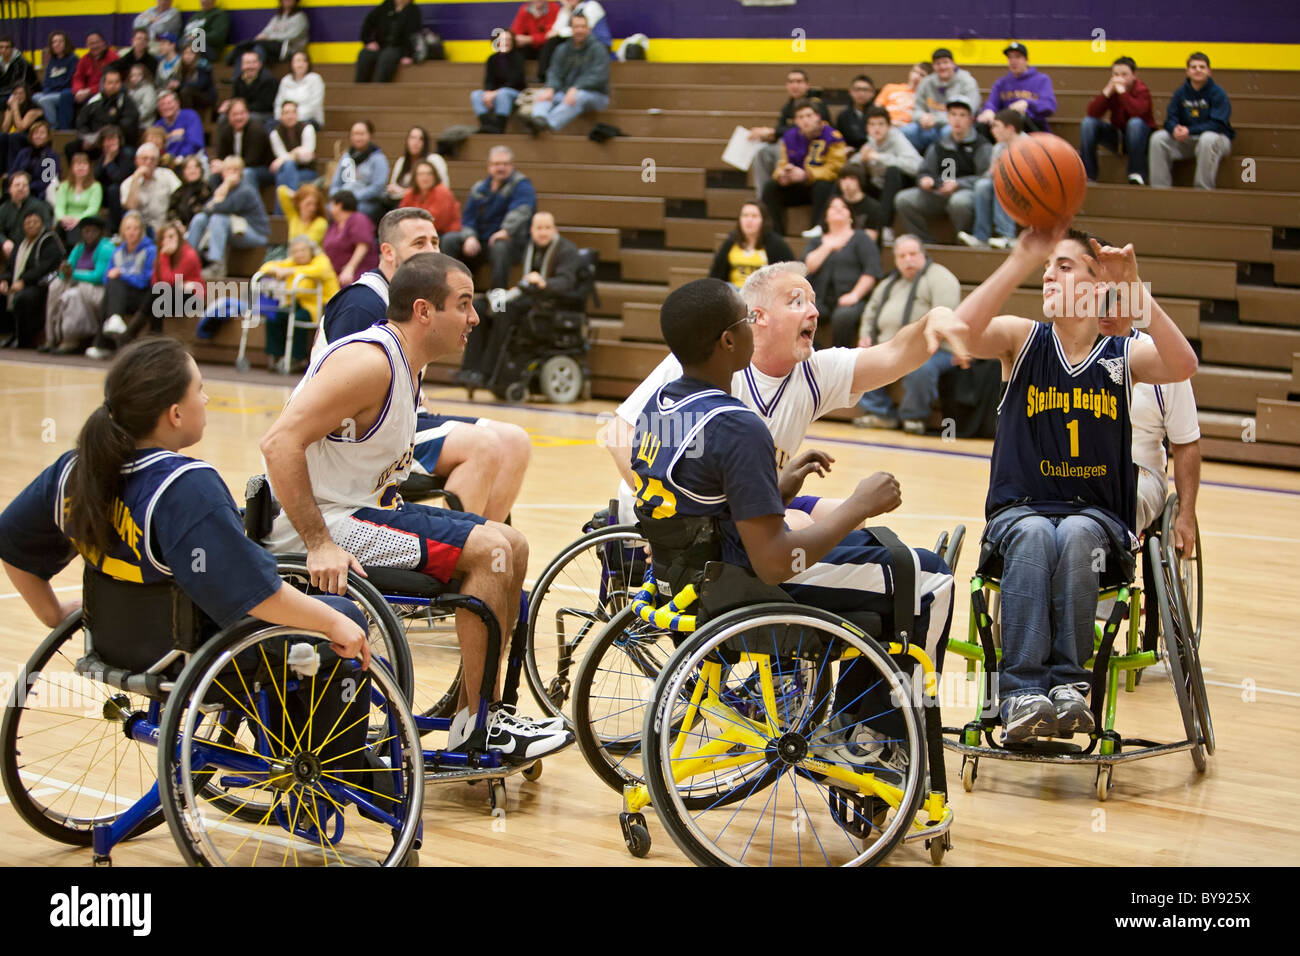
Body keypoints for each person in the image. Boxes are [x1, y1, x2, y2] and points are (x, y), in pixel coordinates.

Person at [259, 252, 567, 758]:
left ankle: (478, 716)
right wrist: (318, 544)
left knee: (511, 542)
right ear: (424, 311)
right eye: (463, 305)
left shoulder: (406, 365)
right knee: (492, 547)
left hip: (360, 511)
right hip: (320, 526)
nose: (475, 317)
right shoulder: (370, 362)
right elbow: (278, 443)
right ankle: (480, 724)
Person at [0, 339, 371, 743]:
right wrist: (334, 620)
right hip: (188, 653)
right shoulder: (185, 486)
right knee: (341, 613)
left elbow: (11, 540)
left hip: (114, 641)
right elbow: (256, 596)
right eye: (199, 390)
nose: (207, 397)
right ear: (175, 414)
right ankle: (335, 772)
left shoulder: (74, 469)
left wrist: (52, 613)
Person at [624, 278, 957, 697]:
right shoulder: (738, 424)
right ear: (729, 341)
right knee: (927, 576)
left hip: (686, 576)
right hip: (738, 584)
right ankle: (870, 735)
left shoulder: (661, 406)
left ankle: (842, 713)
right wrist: (858, 505)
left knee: (878, 552)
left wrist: (777, 485)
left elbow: (711, 508)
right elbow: (777, 563)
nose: (752, 326)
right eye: (746, 320)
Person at [950, 226, 1198, 741]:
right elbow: (963, 331)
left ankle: (1068, 688)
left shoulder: (1120, 355)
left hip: (1098, 519)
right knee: (1040, 532)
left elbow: (1183, 364)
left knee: (1078, 534)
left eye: (1063, 267)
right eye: (1048, 267)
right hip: (1020, 512)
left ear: (1094, 283)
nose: (1048, 274)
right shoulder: (1022, 340)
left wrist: (1136, 289)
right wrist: (1021, 260)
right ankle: (1020, 693)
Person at [607, 259, 972, 532]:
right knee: (796, 526)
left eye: (813, 302)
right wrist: (657, 517)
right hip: (670, 511)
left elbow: (894, 355)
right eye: (797, 301)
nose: (814, 310)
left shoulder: (815, 371)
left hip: (746, 504)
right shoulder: (709, 362)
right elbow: (619, 432)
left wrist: (932, 321)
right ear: (758, 316)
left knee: (850, 522)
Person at [316, 207, 533, 523]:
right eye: (419, 243)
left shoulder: (414, 299)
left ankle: (487, 548)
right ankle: (460, 553)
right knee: (482, 446)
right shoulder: (362, 304)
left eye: (435, 241)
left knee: (515, 441)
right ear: (388, 252)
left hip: (405, 420)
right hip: (360, 440)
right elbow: (342, 395)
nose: (432, 251)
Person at [1097, 296, 1201, 645]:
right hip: (1081, 468)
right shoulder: (1070, 352)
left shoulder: (1163, 361)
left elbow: (1186, 443)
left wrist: (1186, 514)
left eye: (1114, 304)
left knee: (1117, 503)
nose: (1106, 313)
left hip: (1141, 472)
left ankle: (1099, 613)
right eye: (1098, 304)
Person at [853, 234, 964, 432]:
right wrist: (865, 335)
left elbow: (944, 317)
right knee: (859, 360)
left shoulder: (940, 277)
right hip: (890, 346)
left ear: (923, 255)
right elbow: (871, 310)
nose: (907, 260)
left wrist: (915, 348)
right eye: (902, 256)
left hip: (934, 348)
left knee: (920, 367)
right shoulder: (889, 282)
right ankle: (881, 414)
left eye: (912, 254)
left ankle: (914, 418)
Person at [458, 209, 578, 385]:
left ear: (555, 230)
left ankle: (487, 373)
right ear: (531, 230)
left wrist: (544, 282)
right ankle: (469, 370)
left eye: (547, 228)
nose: (543, 232)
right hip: (517, 295)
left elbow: (566, 282)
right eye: (539, 228)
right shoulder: (525, 247)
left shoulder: (566, 250)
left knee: (504, 312)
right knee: (481, 307)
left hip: (544, 303)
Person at [894, 97, 990, 243]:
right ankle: (923, 243)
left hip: (966, 193)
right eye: (953, 114)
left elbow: (986, 177)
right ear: (948, 117)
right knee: (903, 199)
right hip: (939, 192)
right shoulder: (939, 144)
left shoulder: (981, 145)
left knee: (959, 202)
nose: (957, 120)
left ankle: (964, 242)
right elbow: (924, 171)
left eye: (962, 115)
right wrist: (925, 180)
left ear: (971, 119)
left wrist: (959, 184)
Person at [440, 146, 535, 290]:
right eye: (497, 164)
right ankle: (451, 290)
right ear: (489, 166)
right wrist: (469, 237)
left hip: (510, 242)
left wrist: (505, 231)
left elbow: (521, 212)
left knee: (500, 246)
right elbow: (468, 217)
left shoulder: (522, 185)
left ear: (512, 166)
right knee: (449, 240)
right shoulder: (479, 188)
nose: (501, 167)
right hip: (481, 242)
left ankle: (497, 300)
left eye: (505, 164)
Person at [803, 195, 881, 348]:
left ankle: (840, 360)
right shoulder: (817, 241)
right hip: (820, 297)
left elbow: (871, 271)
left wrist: (855, 295)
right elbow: (808, 267)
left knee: (843, 317)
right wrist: (828, 246)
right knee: (801, 314)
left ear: (850, 215)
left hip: (851, 297)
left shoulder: (861, 238)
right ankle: (812, 357)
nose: (838, 209)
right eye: (833, 207)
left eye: (843, 207)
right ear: (825, 216)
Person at [1148, 52, 1233, 191]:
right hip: (1188, 139)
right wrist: (1174, 128)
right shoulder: (1180, 93)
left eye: (1202, 67)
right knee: (1158, 138)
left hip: (1218, 139)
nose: (1198, 70)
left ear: (1209, 71)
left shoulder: (1218, 93)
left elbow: (1218, 124)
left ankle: (1203, 190)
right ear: (1187, 72)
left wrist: (1189, 130)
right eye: (1193, 67)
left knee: (1207, 139)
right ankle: (1159, 190)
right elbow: (1170, 119)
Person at [761, 99, 847, 237]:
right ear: (796, 121)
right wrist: (782, 175)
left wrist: (807, 175)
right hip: (798, 186)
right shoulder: (789, 137)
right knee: (771, 187)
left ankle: (818, 228)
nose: (805, 120)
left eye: (809, 116)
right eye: (801, 117)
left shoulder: (833, 136)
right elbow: (782, 163)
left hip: (821, 188)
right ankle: (774, 233)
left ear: (818, 117)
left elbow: (835, 169)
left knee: (823, 186)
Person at [746, 69, 832, 199]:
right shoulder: (787, 107)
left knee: (783, 143)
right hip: (792, 145)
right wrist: (768, 135)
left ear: (807, 85)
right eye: (791, 82)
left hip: (814, 147)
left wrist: (772, 132)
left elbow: (811, 128)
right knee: (762, 152)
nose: (795, 85)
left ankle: (782, 189)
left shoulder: (816, 103)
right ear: (787, 86)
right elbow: (781, 128)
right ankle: (762, 197)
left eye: (799, 81)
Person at [260, 234, 339, 369]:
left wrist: (290, 271)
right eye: (296, 251)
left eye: (303, 250)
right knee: (275, 317)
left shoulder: (321, 260)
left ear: (311, 250)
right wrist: (277, 269)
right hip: (296, 304)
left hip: (321, 306)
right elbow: (265, 267)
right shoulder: (292, 263)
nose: (299, 254)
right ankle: (276, 355)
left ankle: (297, 358)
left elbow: (318, 270)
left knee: (298, 319)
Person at [86, 210, 157, 359]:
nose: (132, 232)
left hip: (142, 295)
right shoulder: (117, 251)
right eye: (128, 228)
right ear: (123, 231)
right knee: (111, 287)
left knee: (115, 283)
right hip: (121, 296)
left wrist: (123, 274)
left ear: (141, 231)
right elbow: (107, 278)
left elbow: (146, 280)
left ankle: (103, 342)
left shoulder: (150, 250)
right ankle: (112, 325)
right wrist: (119, 276)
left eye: (136, 228)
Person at [186, 155, 271, 278]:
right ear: (223, 173)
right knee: (200, 219)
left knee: (218, 219)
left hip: (255, 233)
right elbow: (205, 209)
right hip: (236, 229)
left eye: (235, 170)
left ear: (241, 173)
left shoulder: (245, 190)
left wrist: (225, 185)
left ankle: (217, 267)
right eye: (228, 170)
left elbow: (219, 208)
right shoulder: (223, 188)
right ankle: (188, 261)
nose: (231, 174)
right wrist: (222, 190)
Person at [526, 12, 609, 134]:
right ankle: (538, 119)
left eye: (583, 26)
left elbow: (599, 76)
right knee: (543, 93)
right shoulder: (562, 49)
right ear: (571, 29)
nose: (579, 30)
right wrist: (551, 88)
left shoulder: (598, 49)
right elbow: (555, 72)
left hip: (596, 96)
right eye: (576, 27)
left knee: (578, 96)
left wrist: (576, 87)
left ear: (589, 29)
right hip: (566, 93)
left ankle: (548, 125)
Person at [42, 214, 113, 353]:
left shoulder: (106, 247)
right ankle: (51, 338)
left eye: (93, 231)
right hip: (79, 284)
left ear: (101, 232)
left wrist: (73, 274)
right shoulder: (79, 247)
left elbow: (98, 276)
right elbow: (66, 272)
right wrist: (64, 271)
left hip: (98, 290)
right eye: (86, 231)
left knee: (72, 294)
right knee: (55, 286)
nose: (89, 234)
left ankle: (70, 340)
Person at [958, 107, 1025, 249]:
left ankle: (1007, 235)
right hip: (1004, 185)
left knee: (1003, 182)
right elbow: (990, 175)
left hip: (1029, 190)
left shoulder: (1030, 146)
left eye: (996, 126)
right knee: (982, 185)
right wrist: (993, 171)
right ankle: (981, 237)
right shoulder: (999, 147)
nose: (992, 130)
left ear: (1010, 128)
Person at [0, 210, 63, 348]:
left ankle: (25, 339)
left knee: (24, 297)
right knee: (3, 293)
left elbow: (46, 267)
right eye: (28, 223)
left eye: (35, 222)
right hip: (19, 284)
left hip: (40, 284)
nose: (31, 225)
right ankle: (10, 334)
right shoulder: (20, 243)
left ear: (42, 224)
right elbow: (10, 268)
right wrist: (5, 280)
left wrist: (24, 281)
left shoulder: (48, 240)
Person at [857, 105, 921, 240]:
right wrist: (862, 162)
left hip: (902, 184)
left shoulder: (898, 139)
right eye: (872, 124)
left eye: (881, 124)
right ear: (867, 128)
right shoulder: (869, 144)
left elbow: (916, 166)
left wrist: (880, 157)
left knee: (892, 171)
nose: (876, 128)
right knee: (854, 174)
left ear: (889, 126)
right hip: (879, 187)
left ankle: (885, 227)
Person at [903, 48, 982, 152]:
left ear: (953, 64)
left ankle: (948, 166)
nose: (942, 67)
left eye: (945, 62)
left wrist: (935, 120)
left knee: (948, 133)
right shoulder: (926, 82)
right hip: (928, 127)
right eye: (937, 63)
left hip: (954, 126)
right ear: (933, 67)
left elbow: (969, 112)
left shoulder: (967, 82)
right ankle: (915, 165)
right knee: (905, 132)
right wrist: (922, 117)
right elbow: (916, 109)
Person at [138, 219, 203, 341]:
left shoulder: (189, 254)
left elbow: (169, 282)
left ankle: (140, 335)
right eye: (164, 238)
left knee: (158, 296)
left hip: (192, 300)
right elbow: (155, 282)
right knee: (157, 298)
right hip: (169, 296)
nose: (168, 241)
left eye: (171, 236)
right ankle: (154, 340)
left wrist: (164, 257)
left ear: (179, 237)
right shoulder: (162, 256)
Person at [708, 199, 794, 289]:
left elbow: (790, 274)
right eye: (745, 216)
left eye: (754, 216)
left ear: (763, 220)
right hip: (735, 293)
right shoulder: (731, 242)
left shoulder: (776, 244)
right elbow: (715, 274)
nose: (749, 220)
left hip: (762, 294)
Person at [977, 42, 1056, 136]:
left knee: (1022, 119)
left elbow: (1049, 105)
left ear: (1026, 60)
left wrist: (1027, 103)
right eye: (1010, 57)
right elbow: (992, 103)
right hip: (1006, 129)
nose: (1013, 61)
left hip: (1032, 128)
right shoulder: (1002, 83)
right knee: (982, 124)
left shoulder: (1041, 79)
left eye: (1017, 57)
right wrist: (988, 111)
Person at [71, 64, 139, 161]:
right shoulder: (94, 100)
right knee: (71, 147)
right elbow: (81, 122)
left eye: (117, 82)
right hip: (94, 141)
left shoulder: (127, 101)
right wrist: (88, 137)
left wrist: (109, 138)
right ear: (103, 84)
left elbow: (128, 124)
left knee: (128, 153)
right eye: (110, 83)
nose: (114, 86)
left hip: (118, 143)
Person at [536, 0, 611, 83]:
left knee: (556, 41)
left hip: (598, 45)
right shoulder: (566, 10)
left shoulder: (592, 6)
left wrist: (558, 32)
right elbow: (555, 30)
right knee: (553, 42)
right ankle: (544, 77)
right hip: (579, 45)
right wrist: (567, 9)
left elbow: (582, 30)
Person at [329, 120, 389, 222]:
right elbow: (335, 184)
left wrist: (352, 198)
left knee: (355, 213)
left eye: (361, 134)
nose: (358, 138)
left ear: (370, 135)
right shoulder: (346, 157)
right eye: (355, 134)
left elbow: (377, 187)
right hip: (344, 199)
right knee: (329, 209)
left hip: (366, 201)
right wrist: (337, 197)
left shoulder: (378, 158)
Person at [119, 141, 181, 237]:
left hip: (164, 228)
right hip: (140, 232)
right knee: (131, 214)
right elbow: (131, 207)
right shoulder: (127, 183)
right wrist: (136, 179)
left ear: (157, 161)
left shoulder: (167, 175)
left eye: (153, 159)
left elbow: (181, 196)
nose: (148, 162)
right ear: (136, 160)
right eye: (144, 159)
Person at [211, 98, 274, 190]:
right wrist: (219, 165)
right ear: (228, 116)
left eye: (242, 113)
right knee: (214, 176)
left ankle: (250, 203)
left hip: (262, 169)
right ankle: (218, 203)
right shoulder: (226, 131)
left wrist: (226, 167)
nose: (239, 117)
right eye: (235, 114)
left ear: (248, 114)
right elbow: (221, 156)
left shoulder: (256, 130)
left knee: (246, 173)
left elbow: (251, 161)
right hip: (236, 168)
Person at [383, 125, 450, 211]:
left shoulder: (434, 160)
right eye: (412, 138)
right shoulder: (402, 161)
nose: (416, 142)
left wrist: (403, 191)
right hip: (400, 202)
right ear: (407, 141)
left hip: (425, 205)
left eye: (420, 139)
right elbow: (393, 187)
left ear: (425, 143)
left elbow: (442, 189)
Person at [473, 30, 527, 135]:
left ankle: (499, 126)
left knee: (503, 93)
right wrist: (487, 93)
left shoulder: (518, 57)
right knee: (475, 95)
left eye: (508, 40)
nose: (506, 42)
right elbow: (488, 80)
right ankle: (487, 125)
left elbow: (515, 80)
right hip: (495, 93)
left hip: (514, 93)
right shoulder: (492, 59)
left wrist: (495, 93)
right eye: (503, 40)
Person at [228, 0, 309, 68]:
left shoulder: (300, 17)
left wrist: (269, 37)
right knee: (252, 50)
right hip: (272, 49)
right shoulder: (277, 18)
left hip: (288, 51)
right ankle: (239, 77)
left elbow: (291, 35)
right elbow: (266, 31)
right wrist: (260, 37)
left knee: (257, 48)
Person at [355, 0, 421, 84]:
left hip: (398, 47)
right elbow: (368, 23)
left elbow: (413, 35)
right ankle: (359, 87)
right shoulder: (384, 7)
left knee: (387, 56)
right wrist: (369, 41)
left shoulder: (413, 10)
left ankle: (378, 87)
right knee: (365, 54)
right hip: (381, 46)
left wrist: (408, 55)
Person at [322, 191, 378, 287]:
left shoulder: (358, 219)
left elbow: (362, 245)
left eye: (331, 204)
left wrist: (350, 268)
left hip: (358, 273)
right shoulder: (334, 225)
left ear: (339, 205)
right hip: (336, 275)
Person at [52, 152, 101, 247]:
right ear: (72, 167)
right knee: (60, 228)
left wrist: (78, 219)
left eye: (84, 164)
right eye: (78, 164)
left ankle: (73, 256)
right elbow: (59, 206)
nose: (81, 167)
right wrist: (62, 218)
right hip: (67, 220)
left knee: (75, 230)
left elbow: (93, 208)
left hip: (86, 220)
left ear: (89, 167)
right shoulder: (64, 186)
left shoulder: (96, 186)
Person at [0, 170, 52, 260]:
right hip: (9, 250)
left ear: (28, 188)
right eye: (17, 185)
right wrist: (4, 242)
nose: (21, 188)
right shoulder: (4, 208)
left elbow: (46, 228)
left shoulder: (39, 206)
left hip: (33, 249)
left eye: (24, 185)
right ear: (10, 189)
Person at [33, 31, 78, 131]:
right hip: (52, 92)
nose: (57, 44)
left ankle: (54, 127)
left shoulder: (73, 59)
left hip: (64, 93)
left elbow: (69, 81)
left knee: (45, 100)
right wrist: (47, 90)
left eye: (60, 41)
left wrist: (53, 89)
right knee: (34, 97)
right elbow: (47, 81)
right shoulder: (52, 60)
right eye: (54, 42)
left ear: (66, 43)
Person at [400, 160, 461, 233]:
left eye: (429, 174)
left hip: (444, 232)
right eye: (421, 174)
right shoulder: (410, 193)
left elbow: (434, 222)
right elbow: (401, 216)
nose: (425, 178)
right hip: (419, 231)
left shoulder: (442, 192)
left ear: (435, 176)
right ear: (415, 177)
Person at [69, 32, 119, 120]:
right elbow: (78, 77)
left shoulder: (113, 57)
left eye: (97, 42)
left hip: (104, 91)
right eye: (91, 43)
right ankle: (64, 131)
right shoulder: (84, 59)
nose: (95, 46)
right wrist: (78, 91)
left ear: (103, 43)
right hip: (84, 91)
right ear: (87, 45)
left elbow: (112, 81)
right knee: (65, 96)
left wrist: (89, 91)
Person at [269, 99, 316, 191]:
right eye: (286, 113)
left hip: (306, 170)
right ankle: (291, 201)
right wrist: (297, 152)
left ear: (297, 115)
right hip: (285, 170)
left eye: (293, 112)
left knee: (283, 177)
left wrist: (286, 157)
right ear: (281, 116)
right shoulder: (275, 134)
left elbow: (307, 157)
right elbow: (281, 156)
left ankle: (287, 203)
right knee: (288, 166)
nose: (290, 116)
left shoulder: (307, 129)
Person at [219, 50, 277, 125]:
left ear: (259, 64)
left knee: (248, 118)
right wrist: (229, 105)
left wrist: (242, 109)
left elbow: (265, 105)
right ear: (242, 65)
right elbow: (236, 98)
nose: (250, 66)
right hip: (244, 111)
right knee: (223, 118)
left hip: (263, 114)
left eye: (253, 62)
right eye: (247, 63)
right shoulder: (238, 80)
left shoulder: (269, 80)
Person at [8, 118, 60, 199]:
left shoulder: (51, 156)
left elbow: (47, 181)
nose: (38, 136)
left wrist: (27, 187)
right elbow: (13, 172)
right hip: (18, 190)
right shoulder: (24, 152)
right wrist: (17, 186)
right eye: (35, 133)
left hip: (38, 193)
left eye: (42, 133)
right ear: (31, 136)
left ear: (48, 136)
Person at [93, 126, 132, 229]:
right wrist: (107, 159)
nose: (111, 143)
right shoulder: (102, 156)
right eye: (108, 140)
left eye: (114, 139)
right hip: (106, 194)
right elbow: (96, 177)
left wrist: (109, 162)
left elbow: (119, 178)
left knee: (113, 189)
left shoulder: (127, 153)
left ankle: (115, 228)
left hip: (124, 191)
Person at [832, 164, 886, 239]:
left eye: (852, 178)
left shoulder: (873, 207)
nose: (847, 183)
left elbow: (871, 239)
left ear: (860, 181)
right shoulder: (834, 205)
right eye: (843, 178)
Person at [274, 50, 325, 128]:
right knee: (271, 124)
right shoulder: (285, 80)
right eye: (297, 61)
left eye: (303, 61)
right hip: (286, 118)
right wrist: (282, 117)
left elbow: (314, 105)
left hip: (309, 119)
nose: (300, 65)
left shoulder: (315, 79)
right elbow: (278, 103)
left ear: (308, 64)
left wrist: (293, 117)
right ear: (291, 64)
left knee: (301, 127)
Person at [154, 90, 204, 166]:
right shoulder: (158, 125)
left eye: (169, 103)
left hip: (191, 158)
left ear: (177, 103)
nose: (166, 107)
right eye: (162, 104)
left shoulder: (190, 116)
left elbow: (195, 143)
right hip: (167, 162)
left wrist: (180, 157)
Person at [875, 62, 931, 128]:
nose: (916, 77)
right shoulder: (890, 88)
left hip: (908, 130)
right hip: (885, 126)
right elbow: (875, 110)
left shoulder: (925, 97)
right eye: (915, 71)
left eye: (922, 75)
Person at [835, 74, 877, 152]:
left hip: (874, 154)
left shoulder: (879, 114)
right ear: (850, 92)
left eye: (865, 90)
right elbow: (838, 140)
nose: (861, 93)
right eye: (857, 89)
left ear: (872, 93)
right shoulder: (843, 116)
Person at [167, 154, 212, 227]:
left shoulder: (207, 189)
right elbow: (171, 212)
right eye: (189, 168)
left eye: (196, 167)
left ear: (201, 170)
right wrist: (177, 223)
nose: (192, 171)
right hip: (180, 229)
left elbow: (206, 210)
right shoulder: (179, 191)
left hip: (202, 227)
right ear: (183, 172)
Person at [169, 45, 216, 116]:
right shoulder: (180, 66)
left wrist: (179, 85)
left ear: (196, 55)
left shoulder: (202, 65)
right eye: (185, 53)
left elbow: (201, 85)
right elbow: (175, 80)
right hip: (189, 95)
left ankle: (187, 117)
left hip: (205, 96)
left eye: (191, 53)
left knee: (185, 91)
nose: (188, 56)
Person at [511, 0, 559, 67]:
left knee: (550, 45)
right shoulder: (524, 9)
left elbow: (550, 35)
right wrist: (521, 39)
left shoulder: (554, 8)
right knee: (515, 47)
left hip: (545, 47)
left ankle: (542, 76)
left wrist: (531, 39)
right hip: (529, 47)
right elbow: (516, 32)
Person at [182, 0, 231, 65]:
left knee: (195, 42)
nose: (203, 1)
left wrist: (197, 36)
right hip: (188, 45)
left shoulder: (219, 14)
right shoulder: (196, 16)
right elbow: (185, 33)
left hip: (210, 50)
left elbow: (218, 36)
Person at [0, 35, 36, 100]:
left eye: (7, 47)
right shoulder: (1, 62)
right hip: (4, 93)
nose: (3, 50)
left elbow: (19, 84)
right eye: (1, 47)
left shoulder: (21, 63)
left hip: (24, 93)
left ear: (12, 49)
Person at [124, 62, 158, 126]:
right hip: (132, 123)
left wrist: (133, 118)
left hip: (145, 124)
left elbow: (148, 108)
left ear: (144, 75)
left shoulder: (148, 88)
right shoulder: (129, 89)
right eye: (132, 75)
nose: (135, 78)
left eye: (138, 75)